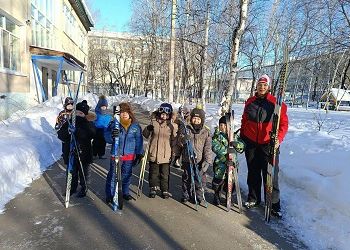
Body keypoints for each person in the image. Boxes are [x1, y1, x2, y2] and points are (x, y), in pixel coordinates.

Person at [240, 74, 288, 217]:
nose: (262, 87)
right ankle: (254, 198)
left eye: (265, 85)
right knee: (253, 172)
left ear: (269, 87)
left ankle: (274, 204)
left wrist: (278, 139)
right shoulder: (250, 102)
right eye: (260, 84)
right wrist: (243, 137)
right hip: (251, 144)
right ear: (256, 86)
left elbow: (284, 124)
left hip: (269, 144)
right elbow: (244, 120)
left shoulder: (276, 103)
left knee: (271, 175)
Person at [104, 102, 144, 201]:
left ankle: (125, 192)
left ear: (130, 113)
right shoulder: (114, 124)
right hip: (116, 154)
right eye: (122, 112)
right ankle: (110, 194)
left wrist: (139, 153)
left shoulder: (135, 126)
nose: (124, 114)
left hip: (129, 155)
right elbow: (107, 137)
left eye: (126, 112)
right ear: (118, 113)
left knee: (126, 175)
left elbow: (139, 140)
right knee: (113, 175)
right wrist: (112, 135)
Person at [57, 101, 96, 197]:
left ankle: (84, 188)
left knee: (84, 174)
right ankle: (71, 188)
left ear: (84, 115)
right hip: (71, 153)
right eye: (77, 112)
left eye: (81, 113)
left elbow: (91, 134)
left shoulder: (88, 124)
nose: (78, 114)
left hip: (84, 153)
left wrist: (77, 131)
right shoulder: (68, 123)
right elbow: (60, 135)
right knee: (71, 173)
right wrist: (68, 131)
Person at [175, 108, 213, 203]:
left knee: (199, 180)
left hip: (200, 161)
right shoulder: (186, 129)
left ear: (202, 120)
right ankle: (186, 194)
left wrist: (207, 161)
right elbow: (179, 143)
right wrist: (183, 139)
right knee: (187, 178)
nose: (196, 121)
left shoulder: (205, 132)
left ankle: (198, 195)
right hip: (187, 159)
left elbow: (208, 148)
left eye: (198, 119)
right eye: (194, 118)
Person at [142, 103, 178, 199]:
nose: (164, 116)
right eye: (162, 114)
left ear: (169, 116)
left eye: (166, 115)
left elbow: (175, 139)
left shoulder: (172, 126)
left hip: (166, 155)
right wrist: (148, 129)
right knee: (153, 173)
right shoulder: (154, 123)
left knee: (165, 174)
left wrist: (174, 151)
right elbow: (145, 134)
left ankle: (164, 190)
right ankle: (153, 188)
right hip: (154, 153)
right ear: (159, 113)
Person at [211, 116, 245, 205]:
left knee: (230, 182)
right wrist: (228, 152)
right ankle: (217, 195)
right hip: (220, 164)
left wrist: (236, 144)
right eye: (221, 125)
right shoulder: (217, 136)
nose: (223, 127)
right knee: (218, 182)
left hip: (232, 164)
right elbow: (215, 147)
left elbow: (242, 147)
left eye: (225, 125)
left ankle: (228, 196)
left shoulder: (234, 136)